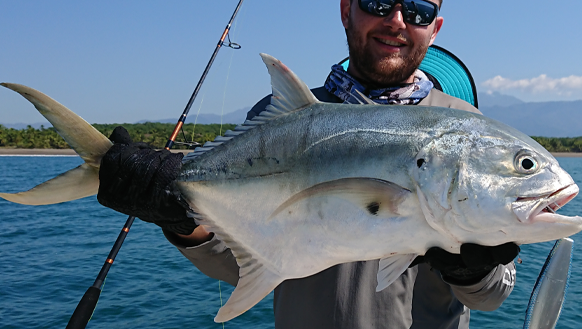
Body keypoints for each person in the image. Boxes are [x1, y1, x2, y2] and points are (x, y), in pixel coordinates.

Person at [97, 1, 519, 328]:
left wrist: (472, 269)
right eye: (377, 2)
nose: (396, 20)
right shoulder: (280, 119)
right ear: (345, 10)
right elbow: (238, 258)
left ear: (434, 27)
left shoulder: (470, 130)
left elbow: (491, 295)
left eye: (418, 10)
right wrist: (181, 217)